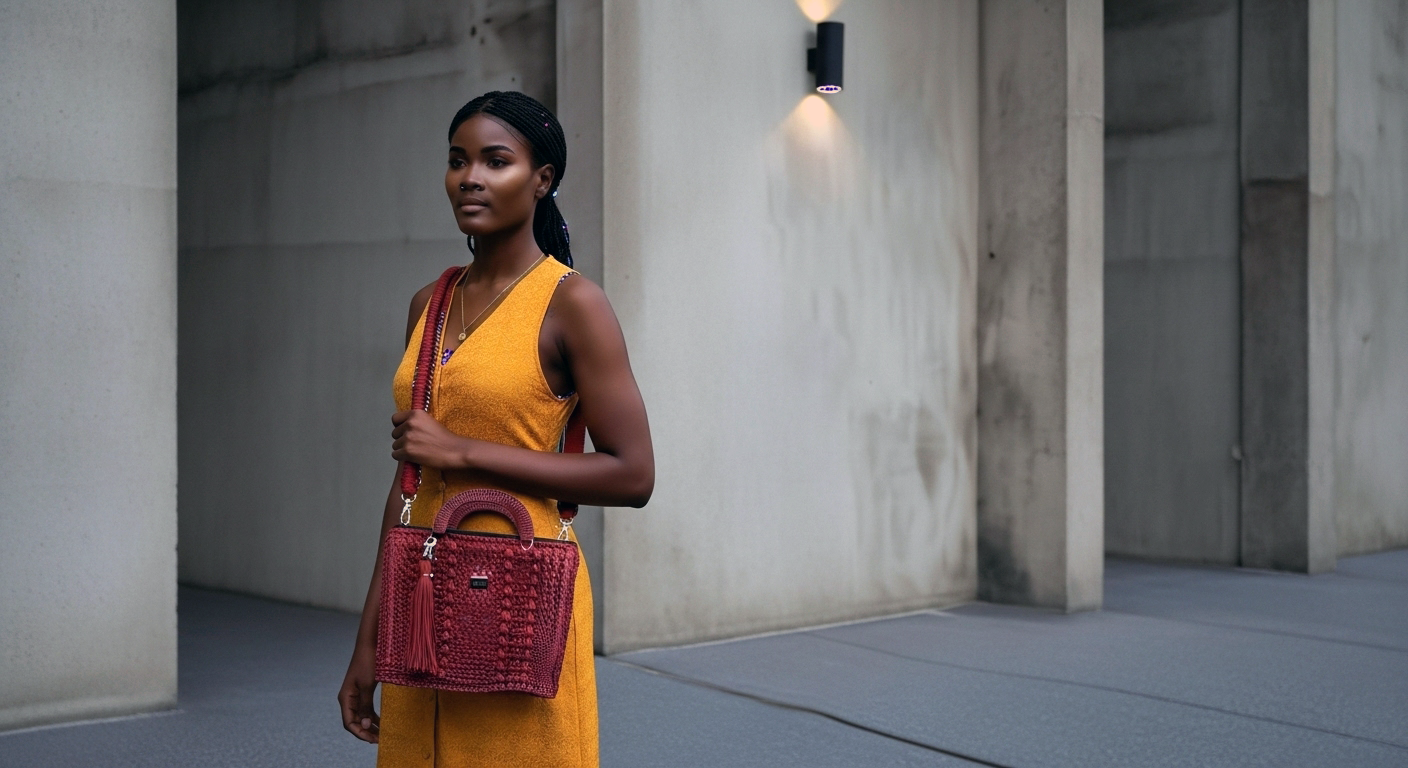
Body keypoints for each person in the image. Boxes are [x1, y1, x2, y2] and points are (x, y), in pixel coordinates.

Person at [337, 90, 654, 767]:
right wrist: (369, 640)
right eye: (458, 161)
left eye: (496, 161)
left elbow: (633, 473)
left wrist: (463, 451)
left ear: (542, 180)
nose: (471, 177)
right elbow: (407, 483)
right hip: (423, 595)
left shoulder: (572, 303)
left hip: (518, 593)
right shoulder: (431, 301)